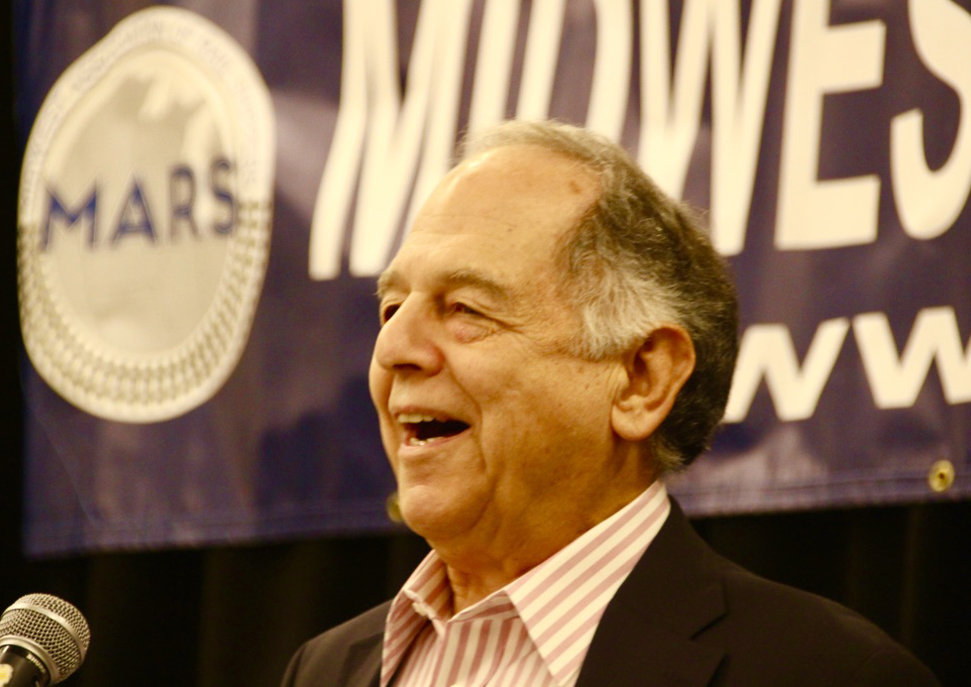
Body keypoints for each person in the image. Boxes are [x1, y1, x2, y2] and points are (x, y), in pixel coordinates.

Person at [281, 120, 938, 686]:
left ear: (639, 378)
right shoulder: (325, 667)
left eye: (466, 309)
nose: (394, 347)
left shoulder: (829, 674)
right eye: (391, 306)